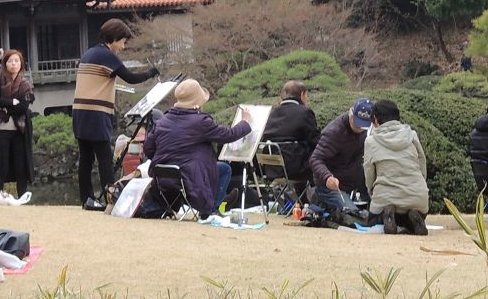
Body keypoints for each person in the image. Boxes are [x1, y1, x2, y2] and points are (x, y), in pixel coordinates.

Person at [73, 18, 158, 210]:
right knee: (104, 157)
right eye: (123, 41)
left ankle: (87, 199)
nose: (123, 46)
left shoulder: (89, 53)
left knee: (85, 159)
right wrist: (151, 73)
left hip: (80, 112)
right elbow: (131, 78)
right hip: (96, 114)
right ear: (114, 38)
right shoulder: (107, 55)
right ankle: (112, 200)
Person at [141, 79, 250, 217]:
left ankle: (218, 204)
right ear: (197, 101)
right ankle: (213, 209)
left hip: (164, 177)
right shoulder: (201, 122)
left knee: (210, 168)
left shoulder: (162, 121)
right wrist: (244, 122)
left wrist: (165, 159)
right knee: (224, 169)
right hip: (192, 178)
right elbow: (228, 135)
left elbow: (148, 148)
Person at [363, 99, 430, 235]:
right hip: (417, 196)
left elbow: (369, 173)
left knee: (372, 220)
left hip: (385, 197)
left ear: (375, 119)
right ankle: (413, 218)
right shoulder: (412, 135)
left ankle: (387, 216)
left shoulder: (371, 141)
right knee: (415, 211)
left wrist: (371, 190)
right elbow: (422, 163)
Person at [309, 97, 374, 218]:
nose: (359, 128)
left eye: (363, 126)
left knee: (372, 215)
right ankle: (320, 197)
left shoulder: (368, 131)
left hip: (355, 180)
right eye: (357, 123)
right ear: (350, 114)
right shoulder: (334, 132)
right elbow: (315, 159)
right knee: (353, 216)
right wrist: (327, 177)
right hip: (332, 186)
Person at [0, 49, 35, 200]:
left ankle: (22, 196)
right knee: (1, 163)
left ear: (21, 64)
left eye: (16, 61)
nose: (13, 64)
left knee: (20, 163)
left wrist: (5, 107)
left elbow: (24, 106)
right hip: (2, 128)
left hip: (20, 128)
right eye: (10, 61)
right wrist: (11, 102)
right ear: (5, 63)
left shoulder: (25, 83)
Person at [262, 80, 321, 187]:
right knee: (323, 152)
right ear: (302, 94)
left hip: (272, 168)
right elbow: (314, 140)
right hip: (296, 169)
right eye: (307, 95)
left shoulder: (272, 113)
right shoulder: (304, 112)